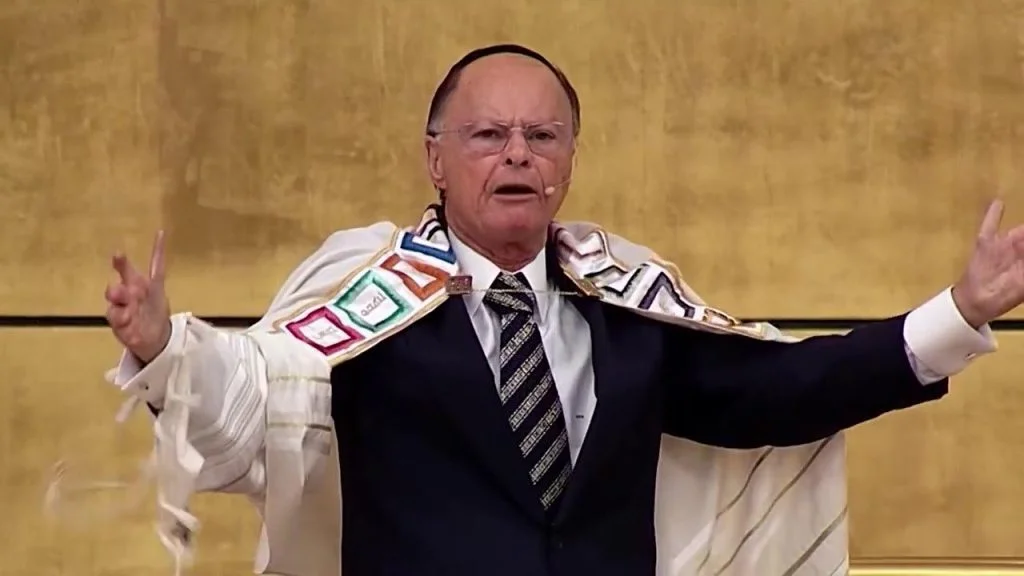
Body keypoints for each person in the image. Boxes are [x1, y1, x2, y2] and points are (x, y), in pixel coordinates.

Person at [100, 44, 1024, 576]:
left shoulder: (627, 303)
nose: (518, 155)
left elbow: (779, 388)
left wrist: (957, 312)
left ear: (570, 159)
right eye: (488, 135)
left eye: (542, 135)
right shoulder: (367, 301)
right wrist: (166, 350)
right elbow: (257, 392)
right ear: (435, 159)